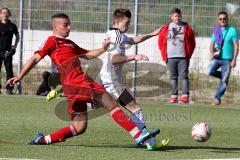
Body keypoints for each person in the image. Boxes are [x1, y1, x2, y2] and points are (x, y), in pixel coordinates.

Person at [7, 13, 166, 150]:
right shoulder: (52, 40)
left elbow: (88, 54)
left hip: (72, 87)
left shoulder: (69, 43)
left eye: (69, 24)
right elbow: (35, 57)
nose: (69, 27)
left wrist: (103, 48)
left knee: (79, 127)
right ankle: (138, 135)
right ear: (55, 27)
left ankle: (42, 140)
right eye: (65, 25)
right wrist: (20, 77)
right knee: (109, 102)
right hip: (77, 81)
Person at [99, 8, 169, 150]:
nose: (128, 26)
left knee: (93, 104)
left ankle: (72, 93)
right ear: (117, 22)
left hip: (104, 79)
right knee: (136, 110)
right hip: (112, 82)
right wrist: (134, 57)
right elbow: (114, 59)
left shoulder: (115, 33)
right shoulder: (117, 36)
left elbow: (132, 39)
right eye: (126, 23)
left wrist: (152, 34)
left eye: (129, 23)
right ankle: (149, 142)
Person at [158, 8, 195, 104]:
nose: (177, 18)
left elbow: (192, 42)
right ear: (171, 17)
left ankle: (185, 96)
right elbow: (161, 41)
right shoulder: (166, 27)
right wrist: (164, 53)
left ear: (180, 16)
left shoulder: (186, 27)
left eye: (178, 16)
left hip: (183, 57)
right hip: (170, 57)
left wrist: (188, 54)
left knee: (184, 76)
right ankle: (174, 96)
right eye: (175, 16)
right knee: (173, 77)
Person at [208, 11, 239, 105]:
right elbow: (211, 44)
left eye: (224, 18)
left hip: (227, 59)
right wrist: (211, 53)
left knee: (224, 81)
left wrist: (234, 60)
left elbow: (236, 47)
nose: (223, 20)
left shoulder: (232, 30)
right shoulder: (216, 30)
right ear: (218, 20)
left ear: (227, 19)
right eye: (220, 19)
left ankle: (217, 98)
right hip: (217, 58)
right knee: (210, 71)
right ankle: (224, 77)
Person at [0, 7, 19, 94]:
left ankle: (9, 88)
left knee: (9, 71)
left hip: (7, 52)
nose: (5, 14)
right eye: (3, 13)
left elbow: (17, 36)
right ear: (0, 15)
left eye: (7, 13)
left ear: (9, 15)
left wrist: (14, 46)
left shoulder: (12, 26)